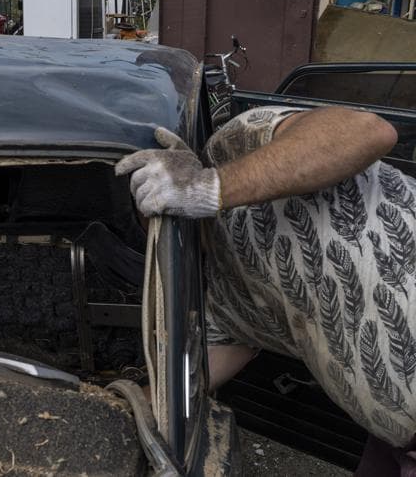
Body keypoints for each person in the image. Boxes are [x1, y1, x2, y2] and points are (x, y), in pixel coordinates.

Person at [115, 106, 416, 473]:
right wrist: (113, 410)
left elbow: (369, 131)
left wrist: (209, 187)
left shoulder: (233, 149)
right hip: (398, 444)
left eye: (158, 203)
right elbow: (194, 376)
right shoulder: (225, 296)